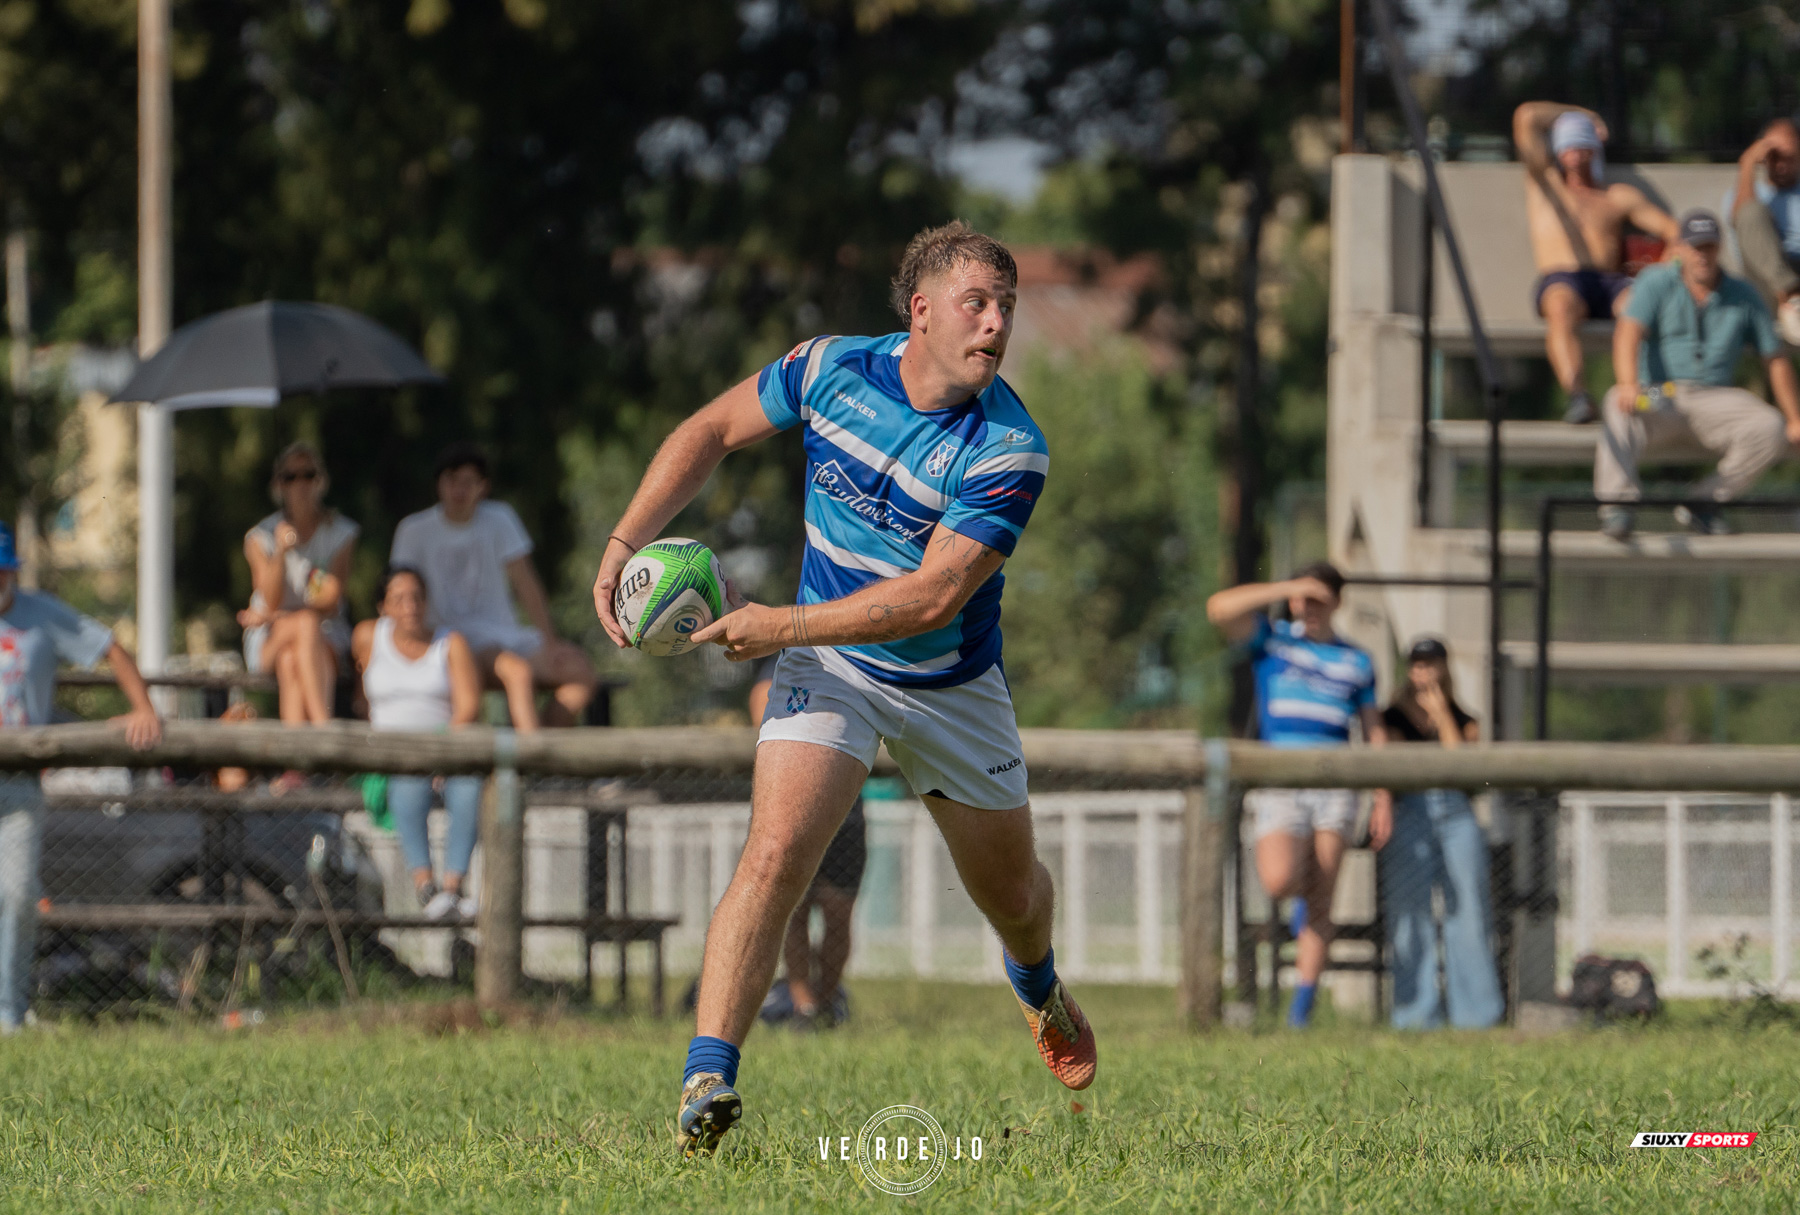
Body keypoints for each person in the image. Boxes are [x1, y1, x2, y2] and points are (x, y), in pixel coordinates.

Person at [592, 220, 1086, 1158]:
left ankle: (1037, 984)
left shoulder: (1009, 446)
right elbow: (708, 431)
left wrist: (779, 625)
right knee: (777, 852)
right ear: (921, 310)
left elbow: (932, 597)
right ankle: (707, 1078)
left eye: (1007, 307)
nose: (996, 324)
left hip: (949, 684)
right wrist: (622, 543)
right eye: (978, 303)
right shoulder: (829, 369)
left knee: (1016, 897)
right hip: (832, 666)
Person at [1204, 561, 1390, 1029]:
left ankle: (1300, 1013)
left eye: (1318, 598)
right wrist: (1287, 587)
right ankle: (1301, 901)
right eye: (1300, 598)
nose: (1307, 607)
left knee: (1323, 900)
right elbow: (1219, 609)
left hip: (1335, 785)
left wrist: (1383, 796)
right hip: (1281, 781)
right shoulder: (1272, 640)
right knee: (1281, 881)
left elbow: (1373, 731)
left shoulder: (1357, 660)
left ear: (1338, 602)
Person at [0, 520, 162, 1031]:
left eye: (1, 572)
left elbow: (110, 647)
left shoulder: (41, 613)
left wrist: (143, 710)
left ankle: (8, 1012)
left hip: (20, 779)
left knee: (18, 893)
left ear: (12, 573)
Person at [1595, 209, 1800, 540]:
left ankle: (1704, 501)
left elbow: (1774, 358)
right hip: (1661, 393)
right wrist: (1629, 383)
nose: (1702, 255)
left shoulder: (1743, 294)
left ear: (1719, 248)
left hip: (1716, 397)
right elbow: (1628, 332)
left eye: (1708, 246)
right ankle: (1617, 506)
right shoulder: (1656, 281)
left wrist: (1794, 417)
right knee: (1616, 402)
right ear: (1679, 248)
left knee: (1770, 426)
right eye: (1695, 246)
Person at [391, 443, 596, 733]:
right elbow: (397, 592)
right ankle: (527, 753)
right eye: (452, 480)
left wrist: (549, 641)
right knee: (516, 674)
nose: (459, 490)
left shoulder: (500, 519)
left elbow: (526, 582)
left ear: (483, 487)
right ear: (439, 484)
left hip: (502, 635)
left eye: (468, 481)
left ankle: (539, 746)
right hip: (443, 644)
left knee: (579, 670)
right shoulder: (413, 530)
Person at [1514, 102, 1679, 424]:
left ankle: (1648, 392)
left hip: (1609, 281)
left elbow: (1674, 231)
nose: (1575, 154)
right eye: (1568, 145)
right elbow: (1526, 117)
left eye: (1582, 145)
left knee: (1640, 305)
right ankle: (1578, 397)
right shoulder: (1544, 183)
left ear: (1594, 150)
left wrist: (1662, 272)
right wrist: (1587, 115)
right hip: (1563, 278)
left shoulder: (1617, 196)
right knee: (1560, 307)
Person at [1376, 637, 1504, 1030]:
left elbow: (1462, 770)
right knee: (1409, 913)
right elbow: (1392, 768)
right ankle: (1415, 1016)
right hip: (1409, 812)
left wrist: (1442, 713)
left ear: (1445, 668)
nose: (1424, 671)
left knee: (1468, 911)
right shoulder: (1391, 717)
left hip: (1456, 813)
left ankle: (1476, 1017)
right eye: (1417, 664)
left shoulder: (1465, 718)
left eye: (1431, 663)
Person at [351, 565, 484, 920]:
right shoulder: (368, 636)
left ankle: (453, 887)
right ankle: (425, 886)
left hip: (443, 746)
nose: (409, 607)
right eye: (398, 599)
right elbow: (360, 696)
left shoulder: (450, 643)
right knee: (407, 784)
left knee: (469, 786)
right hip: (391, 753)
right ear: (383, 606)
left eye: (416, 598)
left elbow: (468, 706)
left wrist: (440, 754)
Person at [749, 657, 864, 1029]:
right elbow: (762, 711)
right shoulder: (784, 659)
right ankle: (804, 1008)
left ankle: (828, 1002)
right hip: (790, 807)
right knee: (793, 912)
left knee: (837, 912)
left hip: (846, 811)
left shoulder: (850, 657)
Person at [239, 442, 359, 724]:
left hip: (323, 632)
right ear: (278, 485)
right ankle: (323, 727)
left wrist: (278, 616)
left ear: (321, 481)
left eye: (308, 474)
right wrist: (281, 552)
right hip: (271, 636)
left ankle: (298, 749)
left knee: (291, 659)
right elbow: (271, 599)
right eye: (290, 477)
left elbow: (329, 600)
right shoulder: (260, 536)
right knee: (305, 624)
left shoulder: (339, 532)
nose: (300, 484)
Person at [1724, 117, 1800, 345]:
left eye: (1789, 157)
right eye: (1774, 157)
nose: (1781, 165)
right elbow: (1741, 220)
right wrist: (1747, 163)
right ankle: (1791, 295)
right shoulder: (1745, 193)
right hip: (1765, 285)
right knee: (1750, 213)